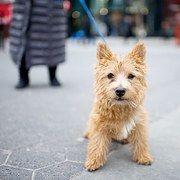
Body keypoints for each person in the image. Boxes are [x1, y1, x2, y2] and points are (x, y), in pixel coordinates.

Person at [9, 0, 66, 89]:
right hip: (27, 7)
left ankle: (53, 76)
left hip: (51, 9)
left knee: (53, 43)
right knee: (23, 43)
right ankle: (23, 77)